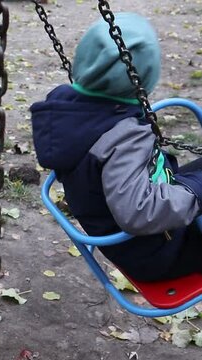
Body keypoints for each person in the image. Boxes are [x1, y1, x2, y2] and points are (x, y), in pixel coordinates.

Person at [30, 13, 202, 282]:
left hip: (151, 231)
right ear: (143, 79)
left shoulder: (68, 110)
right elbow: (139, 212)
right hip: (163, 253)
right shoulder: (123, 139)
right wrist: (196, 191)